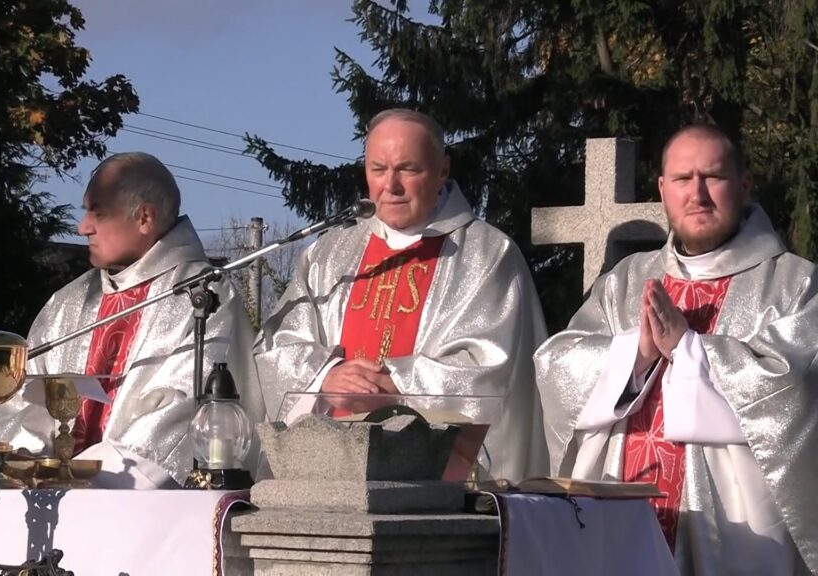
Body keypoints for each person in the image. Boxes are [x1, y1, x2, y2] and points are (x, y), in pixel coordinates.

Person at [534, 124, 817, 574]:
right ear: (663, 190)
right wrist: (635, 354)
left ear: (744, 184)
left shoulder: (794, 284)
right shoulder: (626, 279)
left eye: (713, 177)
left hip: (732, 534)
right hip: (619, 522)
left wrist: (689, 351)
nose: (697, 194)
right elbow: (556, 363)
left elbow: (796, 387)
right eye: (683, 180)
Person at [253, 109, 549, 482]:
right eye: (378, 169)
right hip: (327, 471)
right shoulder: (328, 254)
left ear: (442, 170)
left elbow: (491, 367)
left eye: (407, 169)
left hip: (438, 480)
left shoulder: (488, 255)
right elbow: (280, 343)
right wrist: (326, 377)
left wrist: (393, 385)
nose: (390, 186)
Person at [0, 152, 265, 488]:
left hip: (142, 506)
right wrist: (30, 462)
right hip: (46, 501)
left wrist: (88, 479)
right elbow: (24, 394)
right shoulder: (68, 303)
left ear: (145, 217)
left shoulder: (205, 295)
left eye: (98, 213)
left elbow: (183, 411)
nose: (83, 228)